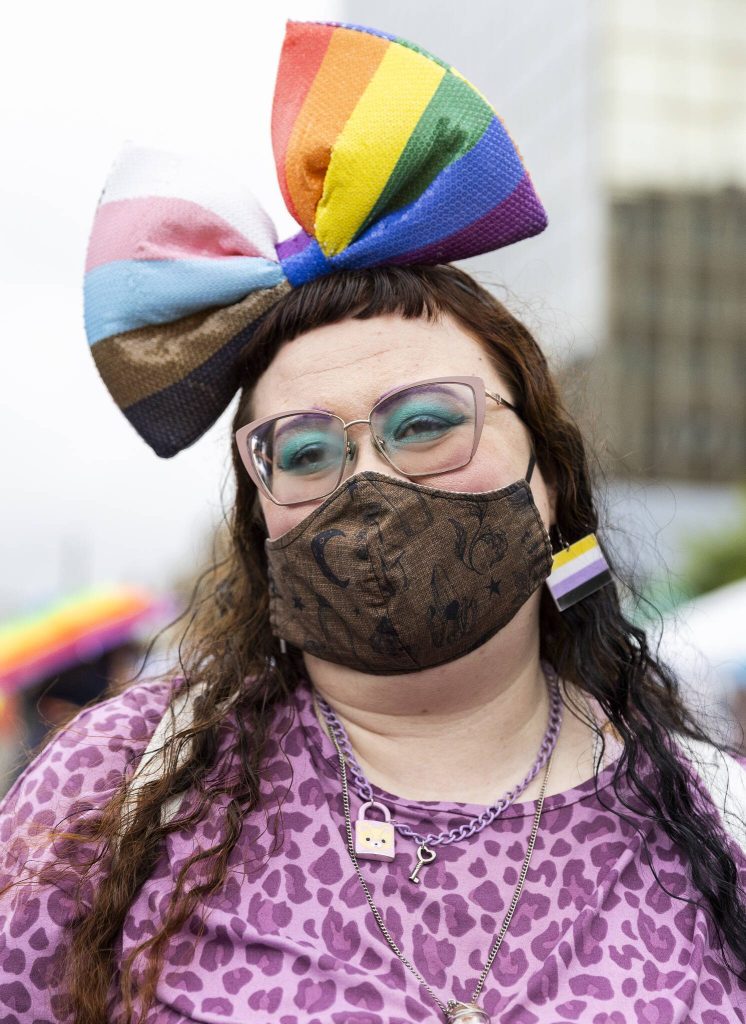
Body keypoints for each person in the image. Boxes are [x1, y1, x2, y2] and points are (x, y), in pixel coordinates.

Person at [1, 18, 745, 1024]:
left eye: (425, 422)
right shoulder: (113, 793)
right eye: (304, 450)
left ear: (547, 473)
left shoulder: (716, 817)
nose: (370, 481)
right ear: (258, 517)